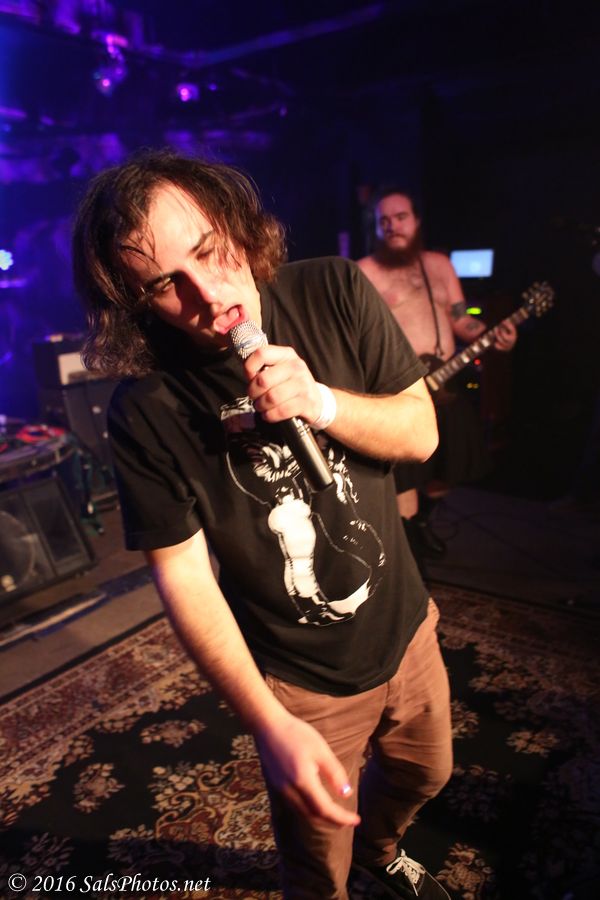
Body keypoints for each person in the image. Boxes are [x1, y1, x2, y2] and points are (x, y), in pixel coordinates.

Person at [72, 150, 453, 900]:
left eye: (210, 251)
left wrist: (321, 402)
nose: (211, 294)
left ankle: (383, 848)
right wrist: (268, 724)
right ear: (135, 303)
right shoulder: (146, 407)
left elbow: (420, 434)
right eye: (165, 284)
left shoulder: (335, 289)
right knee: (315, 861)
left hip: (406, 625)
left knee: (426, 773)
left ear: (240, 227)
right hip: (301, 680)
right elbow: (184, 575)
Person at [358, 188, 517, 561]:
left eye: (400, 217)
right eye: (383, 221)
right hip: (398, 386)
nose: (392, 226)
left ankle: (423, 521)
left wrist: (492, 335)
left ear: (416, 221)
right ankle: (408, 540)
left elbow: (461, 319)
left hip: (447, 381)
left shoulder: (439, 265)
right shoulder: (364, 271)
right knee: (404, 474)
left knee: (451, 463)